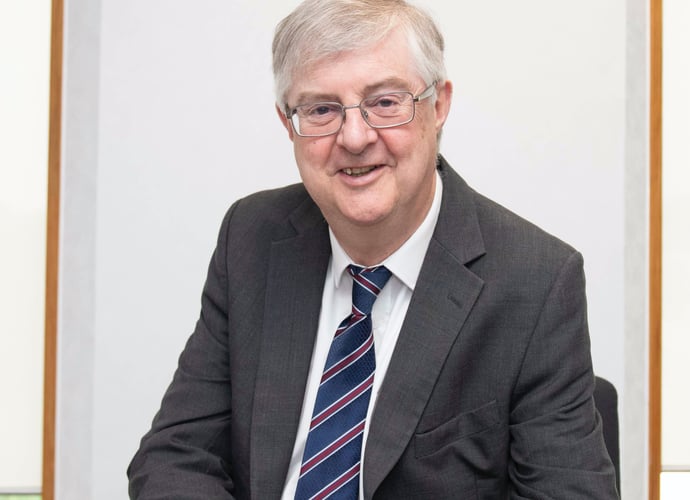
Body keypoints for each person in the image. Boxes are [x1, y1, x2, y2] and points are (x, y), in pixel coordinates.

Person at [127, 0, 619, 498]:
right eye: (321, 109)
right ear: (287, 122)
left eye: (385, 102)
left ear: (439, 104)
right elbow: (176, 455)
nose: (355, 137)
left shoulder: (534, 280)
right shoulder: (253, 238)